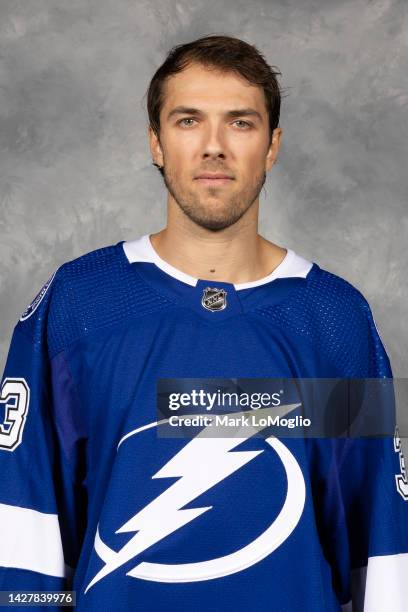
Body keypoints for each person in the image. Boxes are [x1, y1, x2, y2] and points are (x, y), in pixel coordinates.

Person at [0, 35, 407, 612]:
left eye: (240, 123)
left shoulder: (335, 320)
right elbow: (25, 523)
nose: (214, 147)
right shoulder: (79, 303)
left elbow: (382, 548)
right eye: (188, 120)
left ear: (272, 146)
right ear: (156, 143)